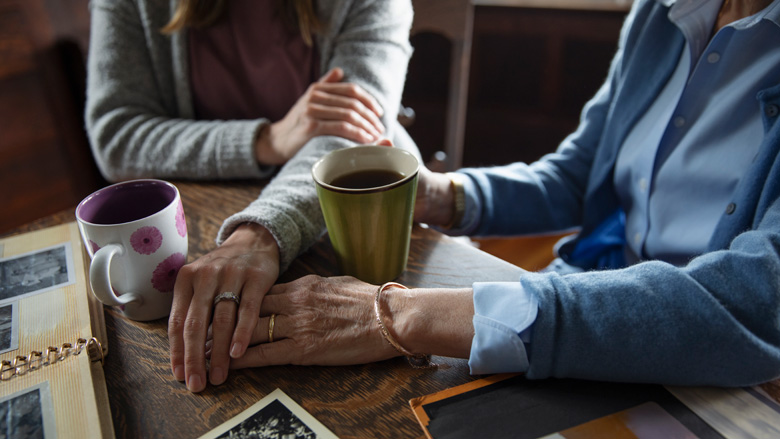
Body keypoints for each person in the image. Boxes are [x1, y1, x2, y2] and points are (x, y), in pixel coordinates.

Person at [220, 0, 780, 387]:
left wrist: (399, 315)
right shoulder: (661, 15)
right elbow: (578, 176)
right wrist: (443, 195)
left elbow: (755, 301)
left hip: (712, 372)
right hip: (578, 291)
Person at [85, 0, 417, 393]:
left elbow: (349, 140)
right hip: (217, 219)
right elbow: (117, 136)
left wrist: (260, 233)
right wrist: (266, 140)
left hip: (349, 222)